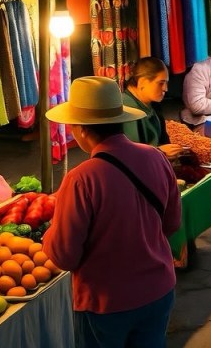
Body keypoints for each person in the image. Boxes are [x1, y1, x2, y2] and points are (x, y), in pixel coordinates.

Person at [44, 76, 181, 348]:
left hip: (107, 303)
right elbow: (172, 222)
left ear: (81, 129)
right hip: (159, 290)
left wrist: (48, 235)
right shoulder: (156, 157)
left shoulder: (81, 178)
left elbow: (64, 255)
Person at [122, 57, 185, 158]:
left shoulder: (153, 104)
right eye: (161, 83)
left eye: (166, 83)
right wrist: (159, 151)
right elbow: (130, 154)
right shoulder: (127, 109)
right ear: (142, 82)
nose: (166, 89)